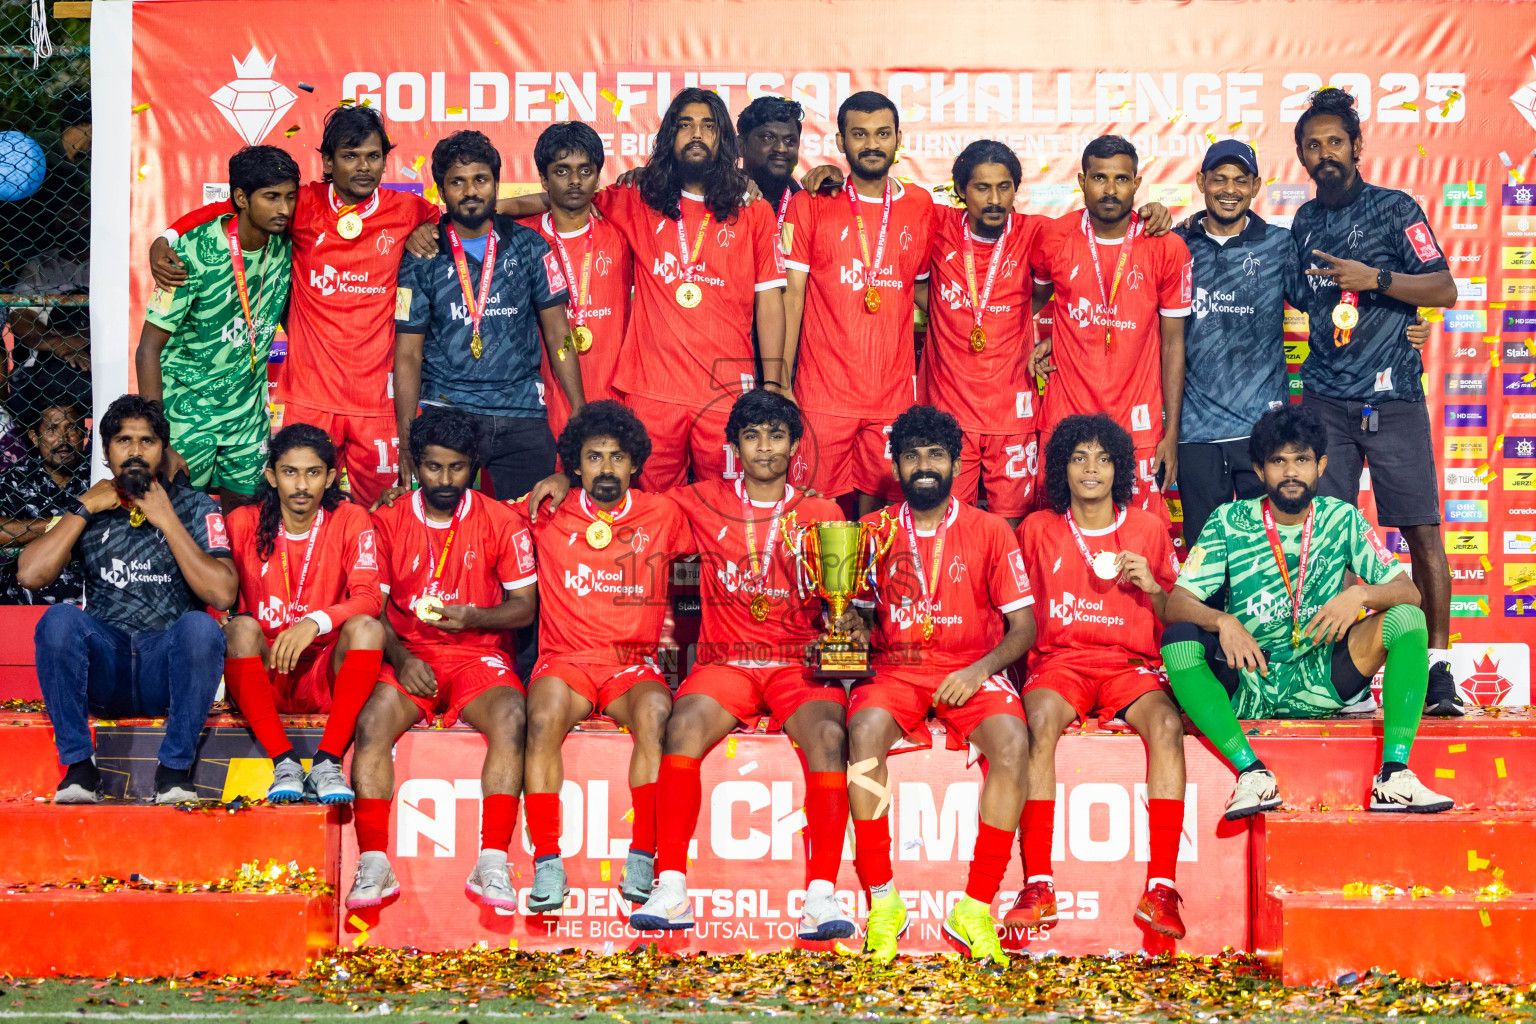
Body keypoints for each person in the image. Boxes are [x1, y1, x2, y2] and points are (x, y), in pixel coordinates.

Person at [627, 389, 853, 938]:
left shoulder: (823, 512)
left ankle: (821, 896)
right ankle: (673, 884)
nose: (765, 448)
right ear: (733, 447)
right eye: (752, 437)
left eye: (777, 436)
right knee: (679, 727)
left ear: (796, 445)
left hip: (796, 661)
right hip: (725, 661)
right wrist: (564, 480)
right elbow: (632, 508)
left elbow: (846, 603)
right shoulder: (701, 500)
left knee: (828, 736)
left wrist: (844, 623)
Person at [1161, 405, 1452, 820]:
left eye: (1302, 459)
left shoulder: (1342, 518)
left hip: (1324, 677)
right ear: (1260, 471)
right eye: (1278, 461)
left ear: (1321, 466)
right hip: (1250, 680)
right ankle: (1252, 773)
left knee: (1409, 618)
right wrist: (1223, 621)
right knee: (1180, 640)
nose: (1291, 471)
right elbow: (1178, 603)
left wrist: (1360, 596)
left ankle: (1395, 776)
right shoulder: (1229, 520)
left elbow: (1408, 592)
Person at [150, 105, 441, 507]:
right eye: (350, 155)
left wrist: (427, 229)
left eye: (374, 156)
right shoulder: (299, 203)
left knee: (382, 513)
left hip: (377, 400)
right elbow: (229, 207)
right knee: (298, 514)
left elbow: (454, 219)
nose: (364, 167)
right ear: (327, 160)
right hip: (309, 396)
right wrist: (166, 236)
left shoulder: (408, 210)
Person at [497, 91, 788, 488]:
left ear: (724, 138)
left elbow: (770, 299)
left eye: (708, 125)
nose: (696, 134)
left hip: (725, 392)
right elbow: (570, 199)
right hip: (651, 394)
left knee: (727, 505)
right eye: (685, 125)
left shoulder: (752, 209)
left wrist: (772, 385)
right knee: (652, 512)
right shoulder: (640, 198)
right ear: (669, 136)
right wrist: (498, 208)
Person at [1288, 89, 1461, 715]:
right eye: (1314, 145)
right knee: (1323, 539)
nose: (1326, 153)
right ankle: (1340, 674)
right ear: (1303, 156)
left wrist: (1379, 281)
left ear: (1357, 147)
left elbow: (1443, 287)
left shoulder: (1396, 209)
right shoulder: (1304, 224)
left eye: (1336, 141)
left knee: (1421, 533)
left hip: (1393, 402)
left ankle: (1438, 671)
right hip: (1326, 405)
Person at [845, 405, 1036, 966]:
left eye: (935, 455)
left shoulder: (991, 530)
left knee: (1013, 742)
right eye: (912, 456)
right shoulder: (872, 531)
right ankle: (883, 900)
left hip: (970, 668)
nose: (923, 466)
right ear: (897, 465)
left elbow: (1024, 628)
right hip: (898, 668)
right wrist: (846, 627)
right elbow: (855, 616)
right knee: (862, 731)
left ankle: (976, 905)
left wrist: (979, 670)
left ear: (955, 463)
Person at [346, 406, 535, 911]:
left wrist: (475, 616)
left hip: (477, 655)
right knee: (370, 723)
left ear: (473, 463)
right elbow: (372, 607)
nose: (445, 479)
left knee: (514, 716)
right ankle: (374, 862)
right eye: (433, 467)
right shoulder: (386, 520)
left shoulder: (502, 520)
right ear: (415, 462)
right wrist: (402, 658)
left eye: (457, 467)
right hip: (411, 653)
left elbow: (523, 610)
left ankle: (492, 860)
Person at [1009, 414, 1186, 938]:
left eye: (1104, 459)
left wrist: (1152, 586)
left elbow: (1178, 611)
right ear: (1062, 467)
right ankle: (1038, 885)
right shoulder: (1037, 529)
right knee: (1036, 722)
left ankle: (1162, 889)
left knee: (1168, 727)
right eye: (1079, 458)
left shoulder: (1148, 528)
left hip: (1128, 666)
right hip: (1060, 663)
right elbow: (1013, 613)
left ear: (1120, 469)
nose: (1091, 469)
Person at [512, 401, 688, 911]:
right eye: (594, 457)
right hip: (565, 661)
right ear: (575, 464)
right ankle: (547, 861)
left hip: (630, 666)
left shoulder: (664, 514)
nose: (606, 469)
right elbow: (475, 515)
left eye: (617, 458)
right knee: (540, 716)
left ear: (635, 464)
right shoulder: (544, 511)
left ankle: (643, 852)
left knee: (657, 714)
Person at [22, 394, 236, 804]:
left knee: (200, 627)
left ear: (163, 450)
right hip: (107, 667)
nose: (135, 451)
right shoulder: (87, 506)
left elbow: (223, 593)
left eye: (147, 441)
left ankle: (173, 772)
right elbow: (31, 574)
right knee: (59, 620)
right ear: (105, 451)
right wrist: (83, 508)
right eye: (123, 441)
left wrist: (167, 519)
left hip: (166, 672)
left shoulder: (194, 507)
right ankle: (80, 769)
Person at [394, 130, 584, 501]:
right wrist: (406, 438)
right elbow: (407, 352)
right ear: (441, 190)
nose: (470, 191)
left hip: (522, 413)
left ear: (496, 184)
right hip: (446, 413)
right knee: (447, 532)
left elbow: (558, 334)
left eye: (480, 180)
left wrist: (579, 407)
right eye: (457, 182)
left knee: (534, 526)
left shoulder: (530, 246)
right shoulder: (422, 256)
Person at [783, 92, 935, 511]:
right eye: (860, 134)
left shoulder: (920, 205)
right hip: (821, 396)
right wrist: (781, 382)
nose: (872, 144)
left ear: (898, 138)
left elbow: (923, 288)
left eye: (883, 133)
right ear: (840, 140)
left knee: (880, 524)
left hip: (891, 397)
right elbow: (791, 298)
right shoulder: (811, 202)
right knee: (814, 518)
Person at [1029, 135, 1192, 522]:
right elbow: (1025, 306)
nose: (1110, 189)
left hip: (1136, 420)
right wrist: (1040, 344)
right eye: (1099, 178)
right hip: (1065, 413)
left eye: (1121, 179)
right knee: (1058, 532)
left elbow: (1173, 345)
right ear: (1082, 181)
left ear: (1136, 184)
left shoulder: (1167, 247)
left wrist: (1170, 434)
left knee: (1139, 532)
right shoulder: (1053, 238)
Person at [222, 424, 385, 804]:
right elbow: (217, 604)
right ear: (271, 476)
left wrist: (313, 622)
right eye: (289, 472)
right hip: (263, 671)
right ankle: (285, 762)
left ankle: (328, 762)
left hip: (323, 673)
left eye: (313, 473)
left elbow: (369, 598)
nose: (301, 485)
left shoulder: (349, 519)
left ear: (330, 477)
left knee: (366, 628)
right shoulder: (243, 522)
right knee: (240, 629)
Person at [138, 145, 298, 509]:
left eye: (290, 197)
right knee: (181, 528)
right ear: (240, 198)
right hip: (186, 418)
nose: (284, 209)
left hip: (247, 420)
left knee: (246, 528)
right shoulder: (188, 256)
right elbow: (147, 350)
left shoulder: (288, 242)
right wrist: (157, 439)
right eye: (271, 197)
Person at [1172, 140, 1299, 547]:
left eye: (1240, 180)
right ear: (1201, 182)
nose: (1230, 189)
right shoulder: (1176, 244)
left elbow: (1328, 301)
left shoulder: (1280, 244)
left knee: (1267, 555)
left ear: (1256, 185)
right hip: (1194, 434)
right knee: (1203, 558)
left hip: (1262, 431)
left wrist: (1406, 323)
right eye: (1219, 179)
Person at [920, 140, 1050, 526]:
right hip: (949, 410)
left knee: (1012, 526)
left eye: (1004, 187)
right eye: (982, 188)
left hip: (1012, 411)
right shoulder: (937, 226)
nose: (995, 199)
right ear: (961, 190)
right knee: (946, 522)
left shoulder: (1035, 233)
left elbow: (1045, 292)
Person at [520, 121, 633, 444]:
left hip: (615, 396)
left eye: (585, 171)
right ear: (543, 178)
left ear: (598, 176)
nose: (574, 181)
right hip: (543, 402)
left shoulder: (621, 230)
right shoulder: (522, 238)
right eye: (562, 171)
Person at [0, 401, 89, 604]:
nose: (63, 439)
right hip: (22, 599)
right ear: (34, 437)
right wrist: (59, 524)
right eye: (52, 429)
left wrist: (27, 533)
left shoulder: (97, 477)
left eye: (72, 429)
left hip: (86, 601)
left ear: (84, 434)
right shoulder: (15, 479)